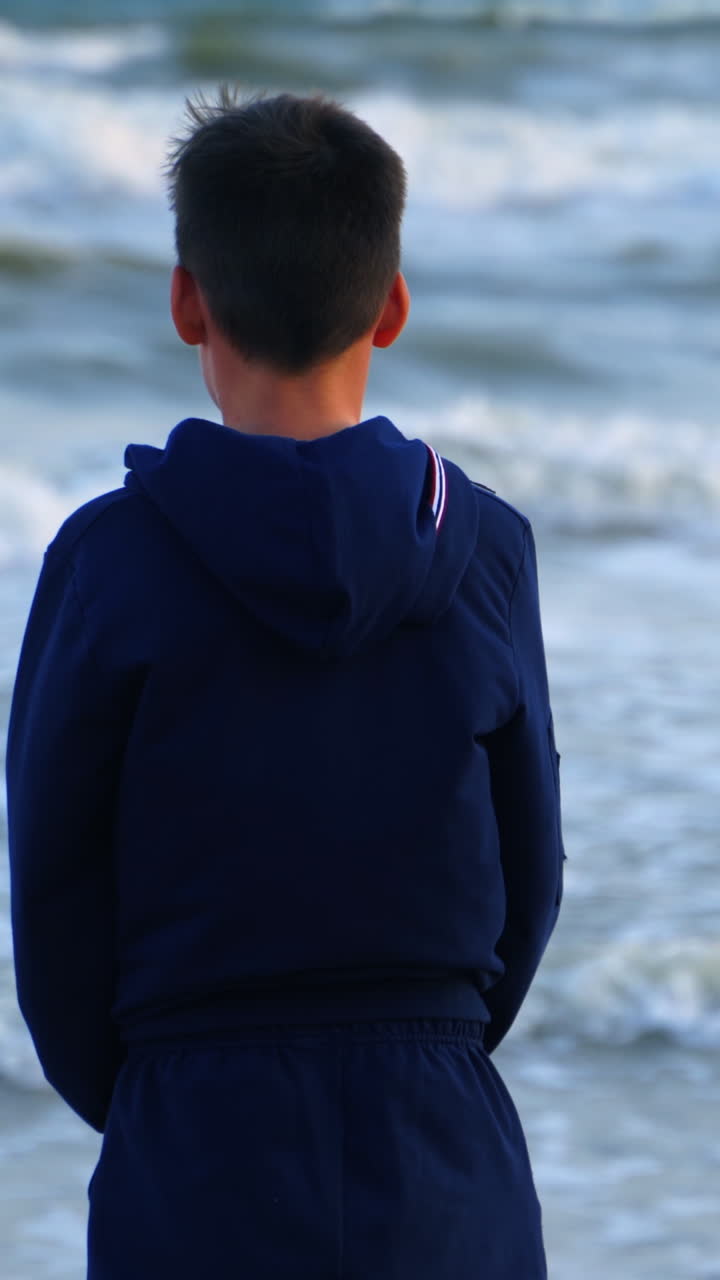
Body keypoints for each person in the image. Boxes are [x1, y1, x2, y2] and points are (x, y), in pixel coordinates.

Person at [6, 88, 565, 1279]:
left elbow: (52, 885)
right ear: (394, 305)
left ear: (185, 301)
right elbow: (532, 876)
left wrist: (157, 1092)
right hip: (444, 1152)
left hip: (195, 1144)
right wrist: (435, 1041)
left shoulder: (110, 562)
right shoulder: (487, 553)